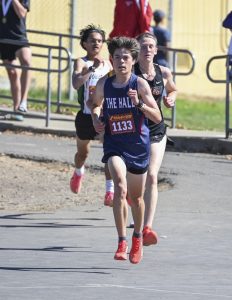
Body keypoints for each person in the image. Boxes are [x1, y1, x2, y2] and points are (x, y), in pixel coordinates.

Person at [91, 36, 162, 264]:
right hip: (115, 145)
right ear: (112, 60)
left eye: (126, 58)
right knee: (119, 187)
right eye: (118, 57)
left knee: (137, 198)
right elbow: (94, 104)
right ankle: (121, 241)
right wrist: (95, 118)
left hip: (138, 147)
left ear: (133, 61)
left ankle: (137, 237)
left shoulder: (139, 85)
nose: (122, 61)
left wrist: (139, 104)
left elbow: (157, 116)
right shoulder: (104, 84)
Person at [134, 32, 177, 245]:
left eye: (151, 46)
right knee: (135, 179)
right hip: (132, 132)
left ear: (156, 50)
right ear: (137, 49)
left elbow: (173, 88)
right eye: (143, 46)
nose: (147, 50)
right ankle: (134, 208)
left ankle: (147, 227)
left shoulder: (163, 72)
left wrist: (171, 98)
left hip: (156, 129)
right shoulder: (129, 73)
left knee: (152, 175)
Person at [70, 24, 114, 206]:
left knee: (111, 154)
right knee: (83, 153)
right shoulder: (81, 63)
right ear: (84, 44)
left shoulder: (110, 64)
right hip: (85, 117)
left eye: (99, 41)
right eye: (92, 41)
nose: (96, 44)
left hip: (104, 116)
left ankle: (110, 191)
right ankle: (78, 172)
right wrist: (91, 70)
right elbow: (75, 83)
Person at [0, 0, 31, 112]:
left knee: (26, 62)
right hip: (4, 39)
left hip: (19, 37)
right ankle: (16, 108)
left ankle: (23, 101)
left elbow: (22, 13)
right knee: (12, 73)